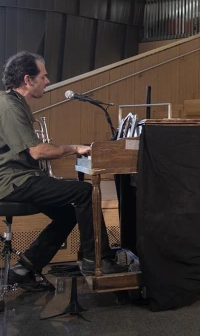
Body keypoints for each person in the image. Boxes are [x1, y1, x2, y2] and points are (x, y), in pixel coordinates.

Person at [0, 51, 126, 289]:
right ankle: (98, 260)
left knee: (67, 214)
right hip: (13, 182)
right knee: (85, 192)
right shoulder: (8, 107)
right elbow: (37, 151)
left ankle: (25, 268)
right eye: (44, 77)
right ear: (28, 80)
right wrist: (74, 148)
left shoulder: (15, 104)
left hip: (22, 178)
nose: (48, 81)